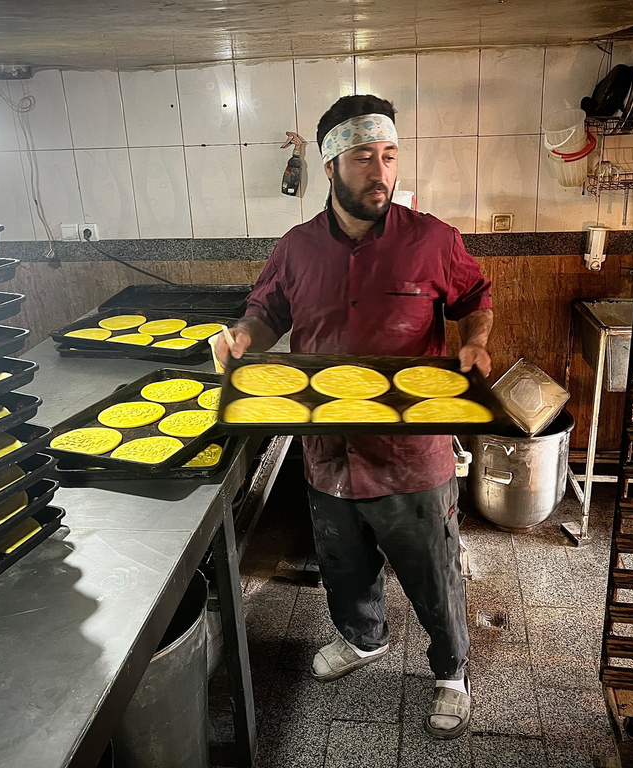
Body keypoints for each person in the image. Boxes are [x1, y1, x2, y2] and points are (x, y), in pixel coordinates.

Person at [214, 94, 493, 740]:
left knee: (432, 566)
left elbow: (476, 295)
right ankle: (363, 637)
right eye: (364, 157)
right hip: (327, 450)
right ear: (332, 164)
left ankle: (452, 671)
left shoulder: (432, 241)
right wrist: (243, 339)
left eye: (390, 156)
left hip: (410, 453)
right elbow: (268, 311)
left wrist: (474, 341)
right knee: (343, 563)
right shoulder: (297, 249)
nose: (382, 172)